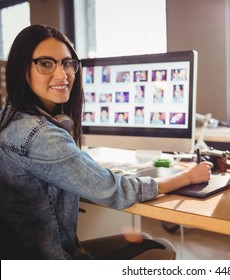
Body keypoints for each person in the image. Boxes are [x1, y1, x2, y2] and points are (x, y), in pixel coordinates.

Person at [0, 24, 213, 260]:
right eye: (46, 63)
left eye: (68, 63)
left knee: (146, 240)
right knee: (161, 250)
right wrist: (186, 178)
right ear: (22, 69)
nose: (62, 75)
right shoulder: (41, 136)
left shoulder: (8, 120)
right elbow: (115, 191)